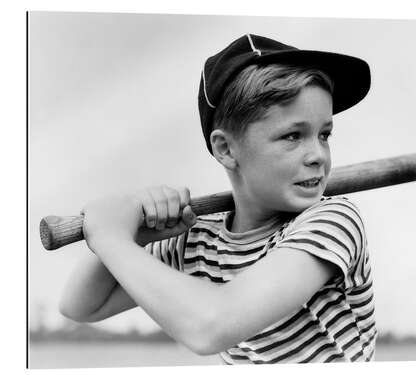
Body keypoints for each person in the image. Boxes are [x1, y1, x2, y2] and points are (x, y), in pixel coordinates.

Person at [59, 34, 376, 364]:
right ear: (226, 149)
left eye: (324, 134)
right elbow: (81, 306)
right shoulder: (198, 238)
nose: (317, 155)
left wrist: (111, 239)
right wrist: (133, 235)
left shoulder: (333, 220)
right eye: (293, 136)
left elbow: (211, 326)